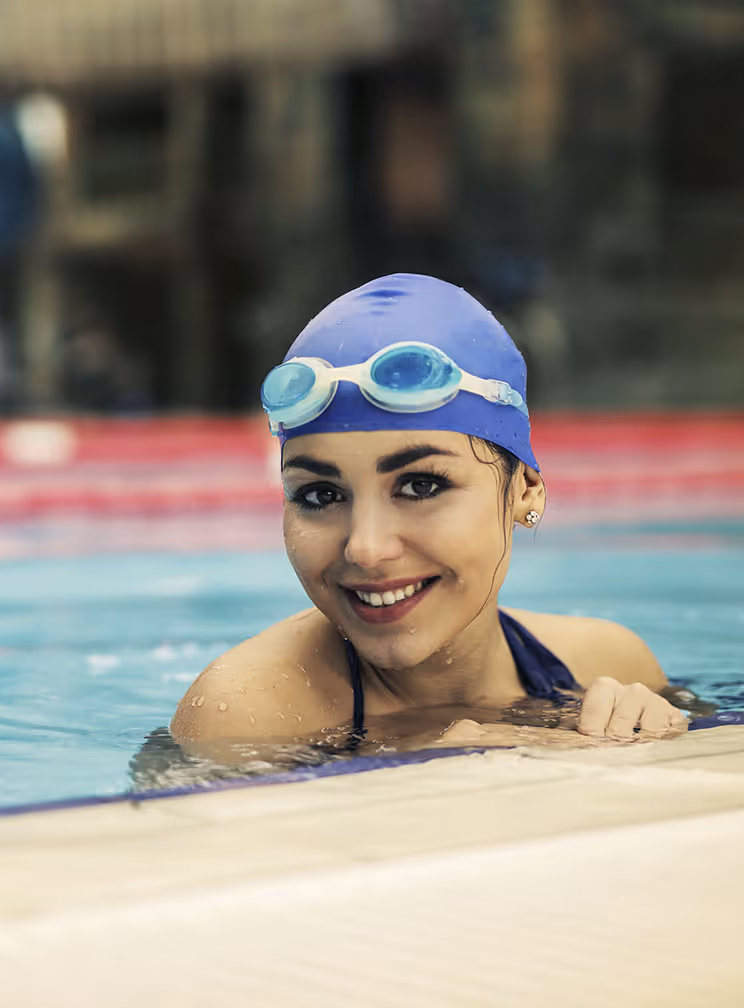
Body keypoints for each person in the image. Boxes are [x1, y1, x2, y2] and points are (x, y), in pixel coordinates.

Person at [170, 274, 688, 761]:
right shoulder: (245, 717)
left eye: (421, 486)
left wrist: (652, 746)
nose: (366, 549)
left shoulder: (606, 667)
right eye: (321, 495)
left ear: (525, 491)